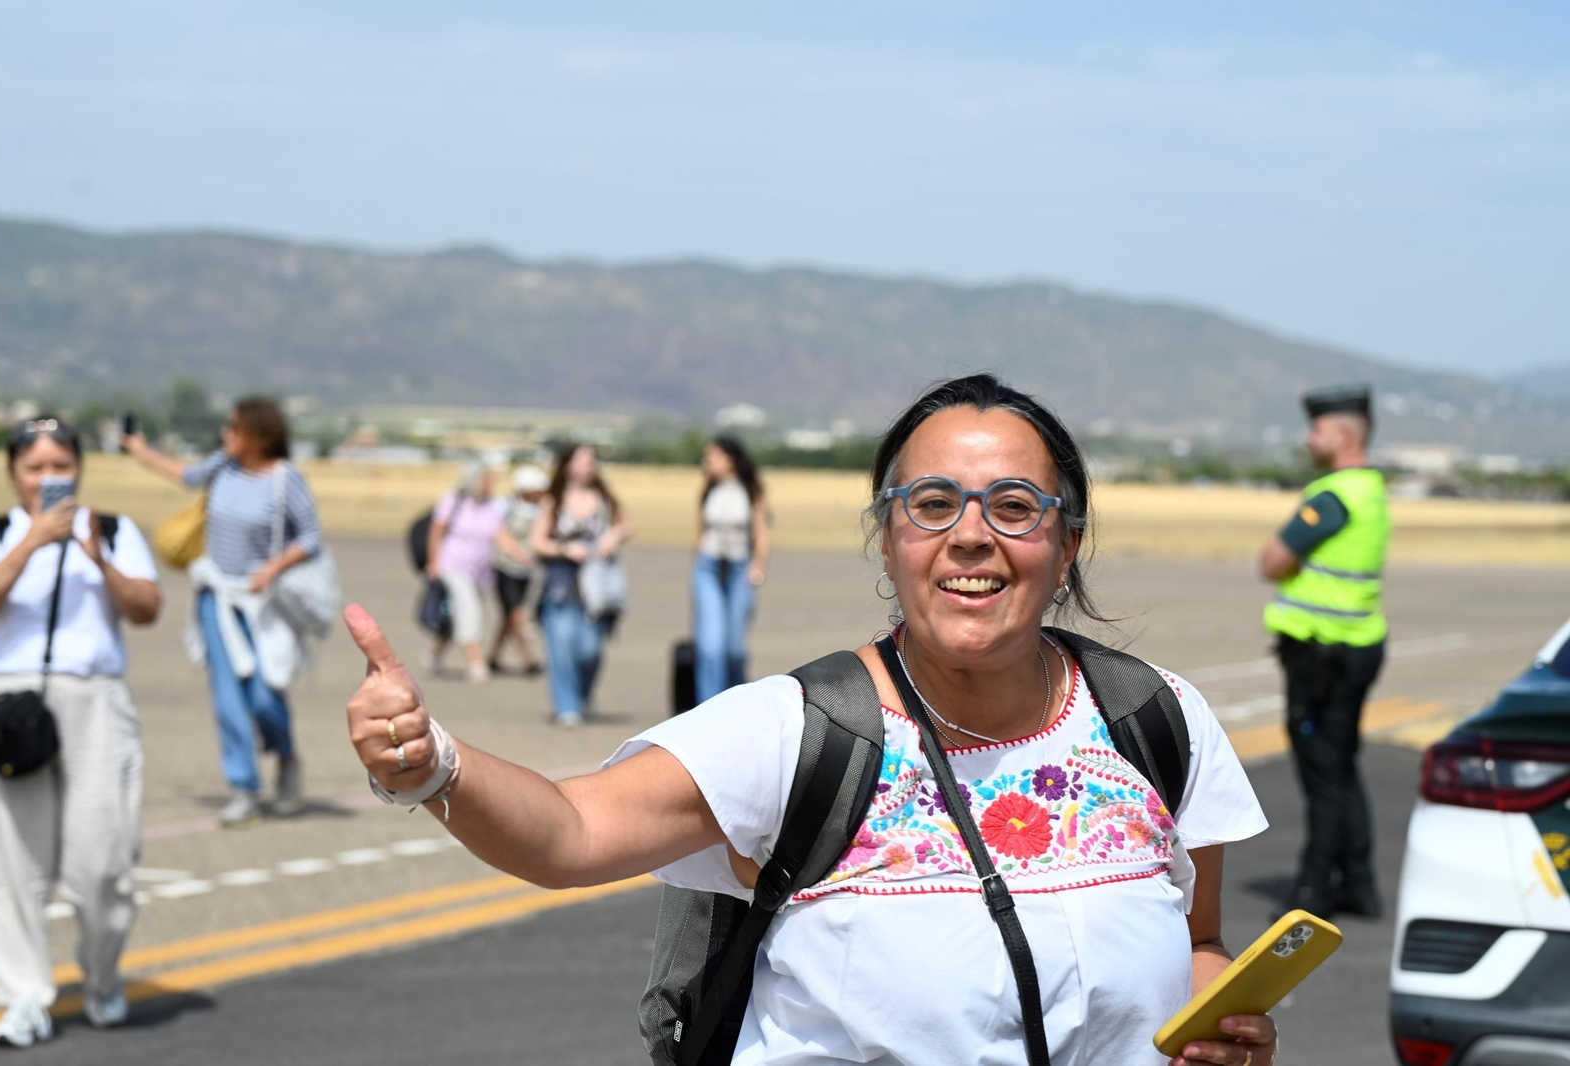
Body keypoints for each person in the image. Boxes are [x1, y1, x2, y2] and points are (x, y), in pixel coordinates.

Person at [342, 374, 1278, 1066]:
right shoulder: (801, 732)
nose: (971, 535)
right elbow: (572, 832)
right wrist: (433, 766)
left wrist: (1221, 1029)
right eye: (933, 504)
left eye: (1016, 507)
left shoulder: (1154, 719)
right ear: (890, 538)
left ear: (1068, 543)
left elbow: (1198, 943)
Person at [0, 417, 161, 1047]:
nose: (49, 480)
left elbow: (146, 609)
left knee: (104, 861)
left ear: (79, 468)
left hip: (95, 701)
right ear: (13, 475)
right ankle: (24, 997)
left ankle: (102, 975)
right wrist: (31, 544)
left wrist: (96, 559)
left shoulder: (112, 530)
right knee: (10, 862)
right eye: (35, 469)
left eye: (60, 467)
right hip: (8, 702)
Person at [125, 397, 323, 826]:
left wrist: (273, 567)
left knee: (266, 695)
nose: (225, 434)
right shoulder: (221, 467)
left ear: (257, 434)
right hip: (217, 597)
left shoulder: (285, 480)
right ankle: (243, 788)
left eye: (233, 428)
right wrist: (140, 451)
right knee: (228, 698)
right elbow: (184, 474)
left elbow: (310, 537)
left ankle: (287, 760)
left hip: (263, 604)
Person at [1259, 384, 1389, 921]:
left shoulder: (1333, 496)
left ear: (1340, 435)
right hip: (1356, 645)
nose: (1309, 438)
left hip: (1322, 655)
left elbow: (1273, 560)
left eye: (1315, 429)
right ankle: (1359, 883)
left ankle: (1314, 890)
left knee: (1323, 773)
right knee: (1343, 765)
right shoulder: (1371, 491)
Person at [528, 443, 631, 728]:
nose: (588, 466)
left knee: (589, 649)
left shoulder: (606, 499)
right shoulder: (554, 500)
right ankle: (567, 707)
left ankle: (582, 696)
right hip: (561, 584)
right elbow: (537, 541)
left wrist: (614, 536)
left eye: (592, 461)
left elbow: (626, 524)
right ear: (568, 464)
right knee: (560, 644)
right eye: (582, 460)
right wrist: (564, 549)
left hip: (597, 587)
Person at [693, 436, 770, 703]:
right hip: (709, 568)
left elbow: (761, 532)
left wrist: (758, 566)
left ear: (729, 459)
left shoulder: (750, 492)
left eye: (712, 456)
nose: (707, 462)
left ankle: (733, 704)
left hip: (740, 569)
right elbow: (700, 531)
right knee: (710, 646)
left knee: (734, 648)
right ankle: (706, 707)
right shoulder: (709, 490)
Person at [425, 462, 505, 683]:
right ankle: (476, 663)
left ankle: (435, 655)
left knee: (456, 614)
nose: (491, 483)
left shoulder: (493, 506)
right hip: (453, 566)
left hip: (479, 571)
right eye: (486, 478)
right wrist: (433, 562)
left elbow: (501, 535)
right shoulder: (453, 501)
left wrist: (522, 556)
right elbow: (436, 532)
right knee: (469, 611)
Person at [486, 465, 547, 677]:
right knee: (518, 614)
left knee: (508, 617)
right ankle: (528, 659)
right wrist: (514, 550)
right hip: (504, 569)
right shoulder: (505, 506)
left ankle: (493, 657)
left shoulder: (541, 508)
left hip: (526, 572)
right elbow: (497, 532)